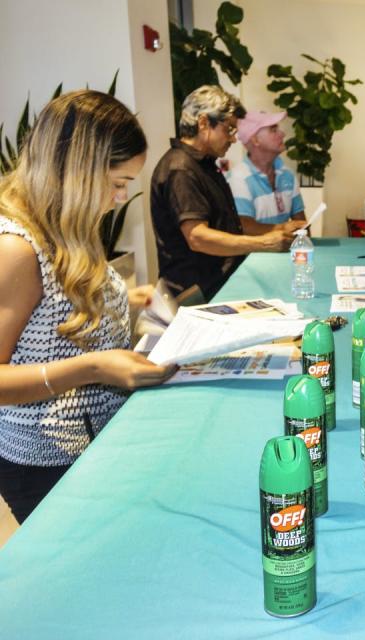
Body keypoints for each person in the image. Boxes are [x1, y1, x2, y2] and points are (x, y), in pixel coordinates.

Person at [0, 91, 175, 523]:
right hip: (46, 462)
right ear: (76, 172)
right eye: (116, 184)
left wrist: (126, 302)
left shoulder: (65, 222)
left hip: (92, 440)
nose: (119, 199)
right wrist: (93, 368)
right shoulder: (17, 249)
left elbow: (57, 312)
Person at [151, 86, 292, 301]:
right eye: (229, 130)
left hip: (218, 284)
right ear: (204, 123)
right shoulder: (180, 169)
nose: (234, 139)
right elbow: (198, 237)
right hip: (197, 293)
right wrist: (265, 242)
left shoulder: (205, 164)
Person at [226, 111, 306, 231]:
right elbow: (245, 228)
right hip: (254, 250)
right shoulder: (238, 178)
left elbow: (301, 225)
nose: (282, 134)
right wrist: (284, 228)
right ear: (255, 140)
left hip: (284, 248)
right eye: (273, 130)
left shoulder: (287, 175)